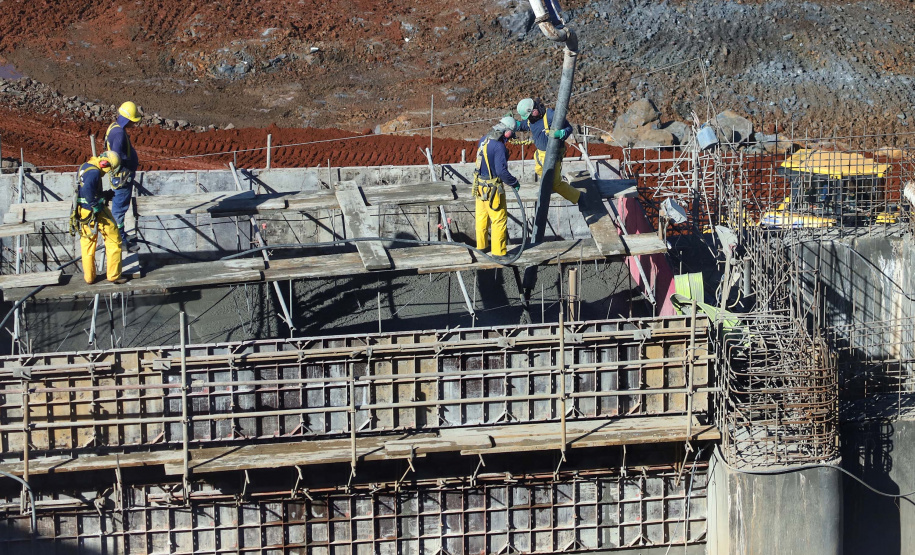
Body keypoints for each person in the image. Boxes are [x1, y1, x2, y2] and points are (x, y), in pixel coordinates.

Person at [516, 97, 581, 204]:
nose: (529, 118)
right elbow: (525, 125)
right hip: (540, 154)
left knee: (556, 184)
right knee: (539, 170)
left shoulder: (550, 116)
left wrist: (562, 133)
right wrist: (515, 125)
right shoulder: (532, 119)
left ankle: (578, 197)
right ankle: (549, 186)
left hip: (552, 154)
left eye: (529, 116)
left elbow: (569, 127)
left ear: (534, 110)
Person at [76, 151, 127, 284]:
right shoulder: (95, 173)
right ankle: (114, 275)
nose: (107, 172)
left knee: (87, 244)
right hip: (95, 211)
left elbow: (85, 190)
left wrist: (103, 195)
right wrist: (95, 205)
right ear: (104, 164)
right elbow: (88, 190)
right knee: (114, 239)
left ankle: (89, 277)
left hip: (83, 211)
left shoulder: (85, 166)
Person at [473, 116, 520, 259]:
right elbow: (501, 171)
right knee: (498, 220)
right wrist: (513, 182)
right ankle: (499, 253)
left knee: (482, 218)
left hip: (480, 188)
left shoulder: (483, 140)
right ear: (506, 132)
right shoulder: (499, 146)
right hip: (493, 190)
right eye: (511, 133)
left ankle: (481, 247)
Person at [104, 101, 141, 252]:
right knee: (119, 211)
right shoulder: (119, 134)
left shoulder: (115, 127)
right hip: (122, 179)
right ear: (128, 120)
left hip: (121, 177)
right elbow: (116, 158)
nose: (134, 124)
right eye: (133, 121)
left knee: (120, 209)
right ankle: (120, 240)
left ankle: (122, 234)